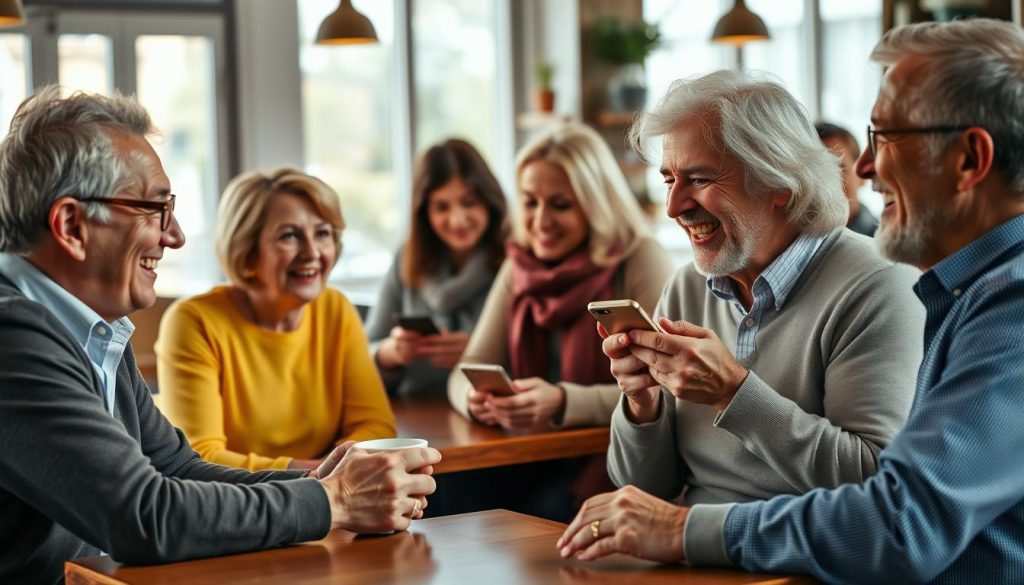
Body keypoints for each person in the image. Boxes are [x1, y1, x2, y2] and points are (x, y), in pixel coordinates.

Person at [558, 18, 1024, 583]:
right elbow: (642, 490)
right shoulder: (964, 291)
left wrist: (731, 401)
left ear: (779, 182)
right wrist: (642, 403)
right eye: (669, 180)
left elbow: (895, 517)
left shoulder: (982, 303)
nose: (864, 167)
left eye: (887, 137)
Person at [0, 87, 440, 584]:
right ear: (72, 225)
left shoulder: (91, 326)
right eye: (154, 209)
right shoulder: (13, 333)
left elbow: (175, 468)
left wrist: (323, 482)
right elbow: (145, 517)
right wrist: (333, 499)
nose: (176, 236)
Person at [441, 122, 674, 520]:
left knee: (539, 512)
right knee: (437, 495)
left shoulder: (638, 257)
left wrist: (564, 401)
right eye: (530, 202)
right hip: (533, 455)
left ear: (595, 204)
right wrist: (476, 400)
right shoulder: (519, 265)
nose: (541, 220)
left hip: (613, 460)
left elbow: (667, 388)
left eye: (560, 205)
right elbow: (464, 370)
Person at [157, 168, 396, 471]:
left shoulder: (335, 308)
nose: (312, 252)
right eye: (290, 236)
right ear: (248, 251)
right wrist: (318, 474)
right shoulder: (193, 321)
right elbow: (200, 456)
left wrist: (327, 472)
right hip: (227, 502)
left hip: (322, 493)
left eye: (322, 233)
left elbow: (376, 426)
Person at [365, 139, 509, 398]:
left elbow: (540, 362)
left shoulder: (515, 263)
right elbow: (362, 354)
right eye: (442, 207)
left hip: (489, 419)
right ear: (425, 212)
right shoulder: (407, 259)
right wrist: (391, 353)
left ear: (490, 201)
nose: (457, 219)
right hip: (414, 420)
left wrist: (480, 351)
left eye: (469, 202)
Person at [816, 121, 879, 236]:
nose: (828, 181)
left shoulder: (884, 246)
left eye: (840, 168)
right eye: (817, 170)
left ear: (861, 175)